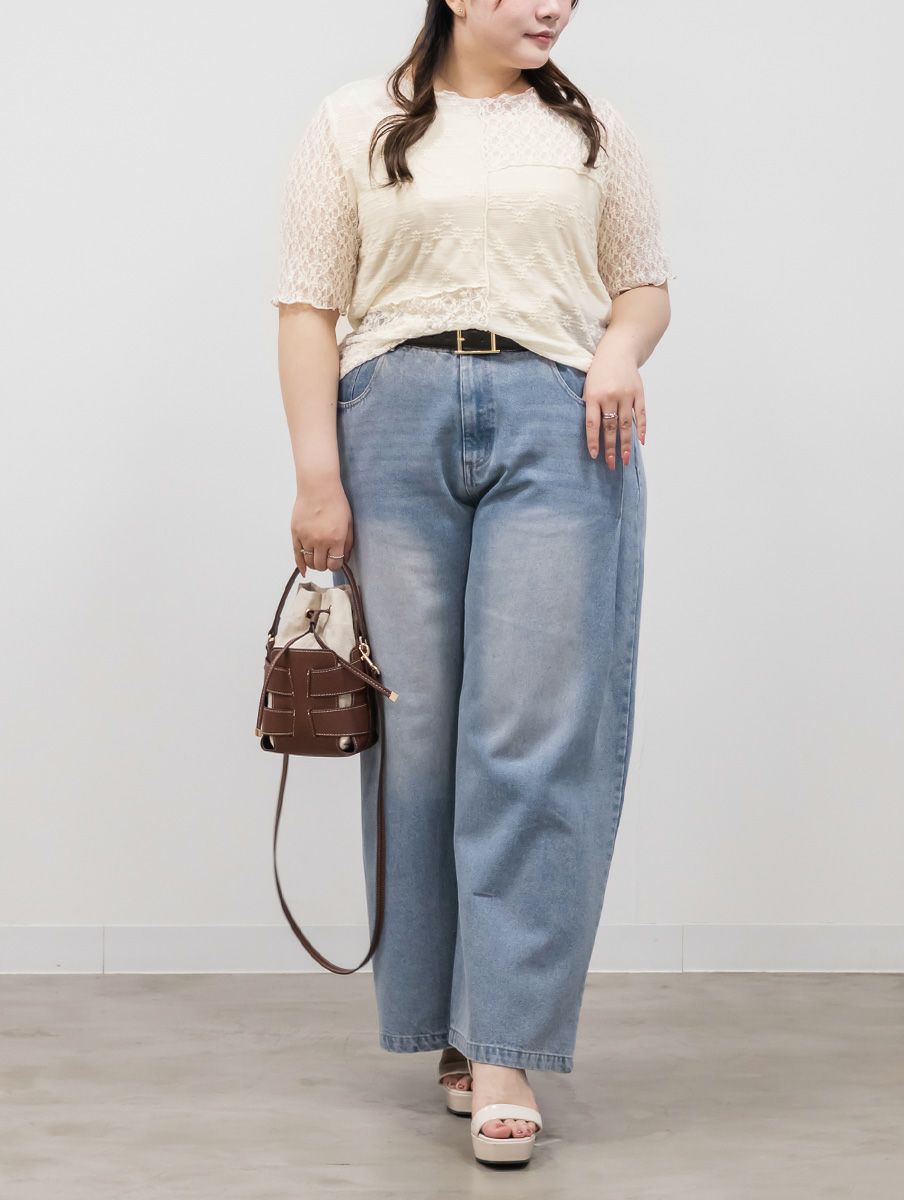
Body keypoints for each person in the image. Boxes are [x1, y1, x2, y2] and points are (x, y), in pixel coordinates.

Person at [270, 0, 674, 1169]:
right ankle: (449, 1023)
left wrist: (616, 350)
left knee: (531, 736)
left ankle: (504, 1049)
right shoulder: (352, 120)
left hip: (561, 424)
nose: (551, 6)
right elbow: (307, 306)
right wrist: (316, 479)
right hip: (389, 425)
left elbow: (644, 284)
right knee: (421, 742)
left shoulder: (595, 130)